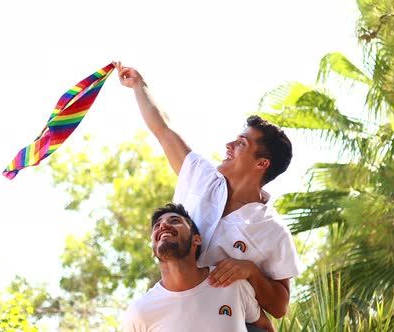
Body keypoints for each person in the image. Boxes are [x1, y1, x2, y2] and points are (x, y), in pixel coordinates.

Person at [115, 62, 300, 319]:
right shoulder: (200, 177)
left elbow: (279, 308)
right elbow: (163, 130)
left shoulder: (273, 231)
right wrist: (138, 85)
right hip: (176, 311)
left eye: (241, 143)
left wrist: (249, 270)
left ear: (261, 163)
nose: (229, 145)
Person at [122, 203, 274, 332]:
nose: (163, 225)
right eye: (157, 226)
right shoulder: (140, 312)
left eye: (175, 221)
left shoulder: (231, 283)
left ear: (197, 239)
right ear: (153, 251)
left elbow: (265, 327)